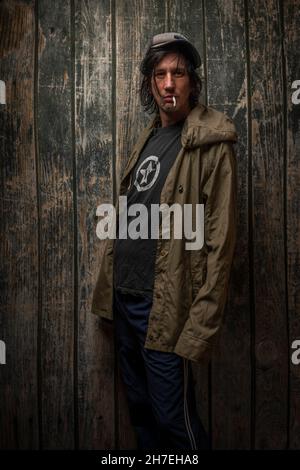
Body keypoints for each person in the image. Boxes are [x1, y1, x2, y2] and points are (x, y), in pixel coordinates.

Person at [92, 32, 238, 450]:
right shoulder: (151, 137)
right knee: (141, 415)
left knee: (175, 423)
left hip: (165, 310)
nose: (168, 83)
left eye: (177, 73)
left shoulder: (212, 145)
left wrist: (200, 325)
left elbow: (221, 244)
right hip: (125, 302)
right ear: (150, 83)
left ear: (192, 80)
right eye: (159, 75)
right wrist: (109, 295)